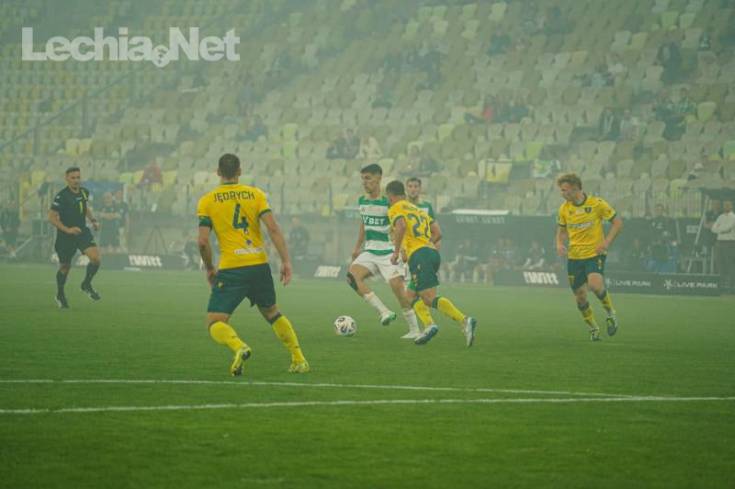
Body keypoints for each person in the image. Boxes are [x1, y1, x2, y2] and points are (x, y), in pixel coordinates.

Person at [197, 154, 308, 376]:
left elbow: (202, 241)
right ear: (240, 171)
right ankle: (299, 359)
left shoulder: (207, 201)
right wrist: (286, 261)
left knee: (215, 321)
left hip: (232, 268)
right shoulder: (256, 194)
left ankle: (239, 346)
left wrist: (209, 267)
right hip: (259, 265)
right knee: (272, 313)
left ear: (218, 172)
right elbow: (273, 229)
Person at [386, 180, 477, 347]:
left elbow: (401, 226)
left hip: (420, 256)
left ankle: (464, 320)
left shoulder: (395, 208)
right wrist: (426, 246)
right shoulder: (417, 210)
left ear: (390, 196)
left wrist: (397, 252)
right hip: (431, 253)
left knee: (428, 298)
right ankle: (429, 325)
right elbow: (438, 232)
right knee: (410, 295)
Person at [347, 164, 423, 339]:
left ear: (379, 178)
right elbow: (363, 224)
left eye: (368, 178)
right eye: (363, 179)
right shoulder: (362, 201)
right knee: (352, 277)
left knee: (398, 289)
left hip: (389, 252)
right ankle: (384, 312)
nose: (364, 182)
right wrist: (357, 247)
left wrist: (401, 249)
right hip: (370, 251)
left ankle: (415, 330)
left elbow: (401, 225)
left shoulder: (389, 202)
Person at [555, 173, 623, 341]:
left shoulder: (597, 204)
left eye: (565, 190)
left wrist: (606, 242)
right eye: (561, 190)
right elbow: (562, 231)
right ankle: (593, 328)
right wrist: (559, 244)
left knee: (594, 285)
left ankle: (611, 314)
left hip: (594, 254)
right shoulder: (564, 209)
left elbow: (617, 223)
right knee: (580, 297)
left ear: (576, 189)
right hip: (574, 257)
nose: (562, 194)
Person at [47, 167, 102, 308]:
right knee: (65, 267)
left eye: (78, 177)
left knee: (96, 259)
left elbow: (85, 207)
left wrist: (93, 220)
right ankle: (60, 294)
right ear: (67, 178)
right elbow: (51, 217)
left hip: (82, 232)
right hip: (65, 235)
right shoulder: (61, 196)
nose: (76, 180)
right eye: (73, 178)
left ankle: (86, 284)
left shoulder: (84, 192)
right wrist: (68, 229)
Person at [711, 200, 735, 292]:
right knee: (720, 263)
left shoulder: (733, 217)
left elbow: (728, 228)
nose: (726, 207)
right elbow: (713, 228)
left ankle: (731, 285)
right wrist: (721, 230)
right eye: (725, 205)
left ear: (731, 206)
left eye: (728, 205)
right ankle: (721, 284)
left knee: (729, 264)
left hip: (730, 243)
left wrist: (719, 229)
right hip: (719, 243)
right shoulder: (720, 217)